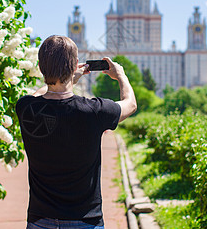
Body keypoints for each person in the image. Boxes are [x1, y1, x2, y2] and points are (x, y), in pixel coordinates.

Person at [16, 35, 137, 229]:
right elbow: (130, 104)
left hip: (40, 220)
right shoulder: (94, 111)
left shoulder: (26, 108)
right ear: (74, 66)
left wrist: (66, 78)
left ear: (40, 67)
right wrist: (121, 75)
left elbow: (38, 94)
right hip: (85, 220)